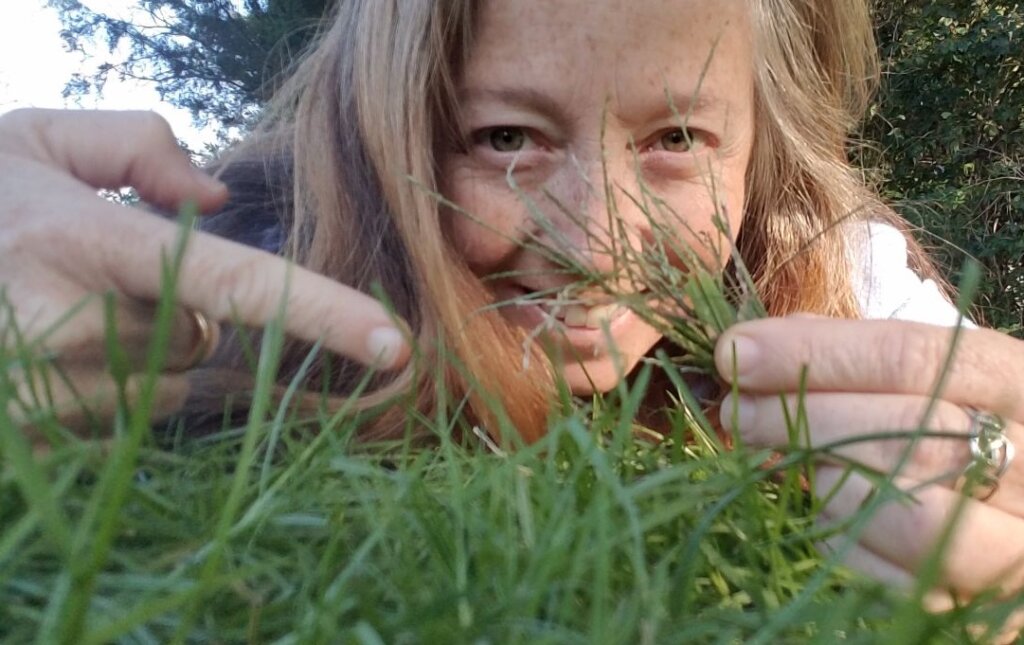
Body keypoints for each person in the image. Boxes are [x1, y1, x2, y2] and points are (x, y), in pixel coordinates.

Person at [1, 0, 1023, 620]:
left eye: (675, 136)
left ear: (758, 140)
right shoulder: (240, 260)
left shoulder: (842, 282)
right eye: (502, 138)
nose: (594, 245)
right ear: (383, 135)